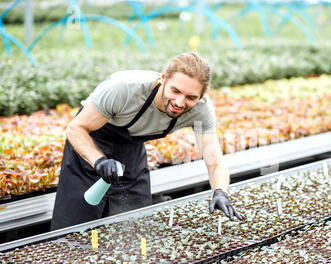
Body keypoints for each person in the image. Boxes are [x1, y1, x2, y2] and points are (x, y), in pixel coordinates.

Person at [51, 52, 244, 231]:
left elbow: (215, 161)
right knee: (75, 227)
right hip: (90, 145)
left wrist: (220, 192)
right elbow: (75, 128)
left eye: (191, 97)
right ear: (163, 78)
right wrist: (99, 161)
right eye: (175, 90)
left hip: (130, 152)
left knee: (133, 226)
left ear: (201, 96)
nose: (179, 102)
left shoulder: (201, 110)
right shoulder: (124, 89)